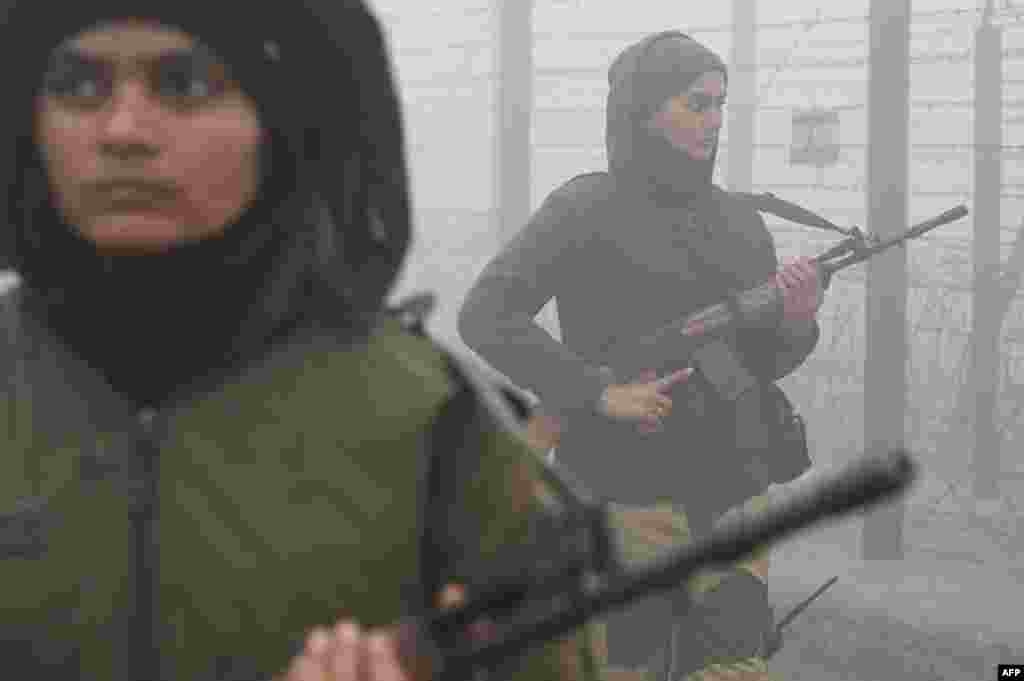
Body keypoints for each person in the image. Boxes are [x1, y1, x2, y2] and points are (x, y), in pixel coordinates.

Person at [0, 1, 603, 680]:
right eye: (78, 87)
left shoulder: (438, 422)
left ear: (281, 119)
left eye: (185, 84)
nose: (123, 130)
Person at [458, 31, 824, 681]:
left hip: (730, 499)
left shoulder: (741, 222)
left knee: (734, 668)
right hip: (619, 500)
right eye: (696, 103)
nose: (714, 120)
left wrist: (796, 322)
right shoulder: (586, 207)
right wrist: (595, 389)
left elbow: (758, 364)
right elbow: (486, 315)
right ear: (645, 110)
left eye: (720, 104)